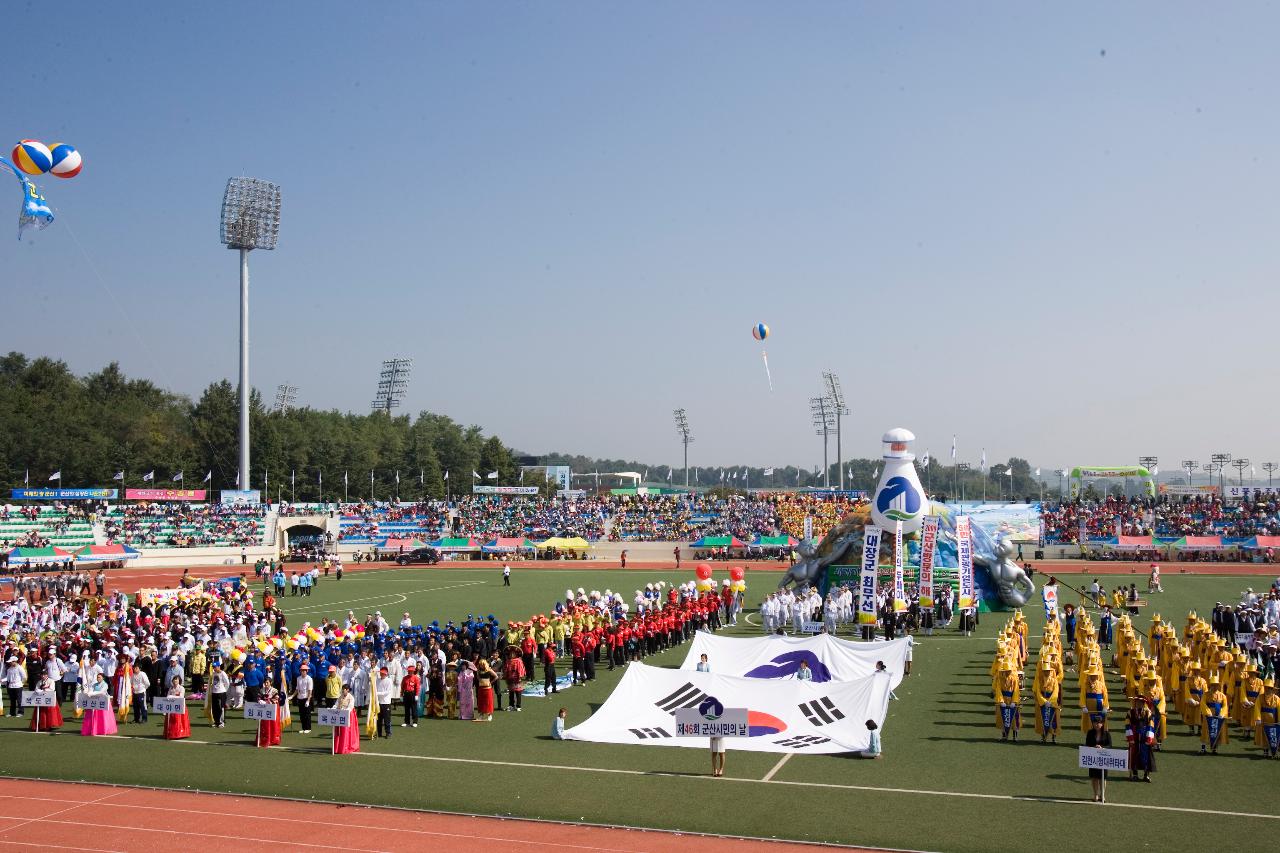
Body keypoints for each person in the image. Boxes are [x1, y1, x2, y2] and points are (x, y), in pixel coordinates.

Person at [1125, 698, 1155, 782]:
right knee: (1134, 754)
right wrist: (1130, 737)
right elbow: (1127, 724)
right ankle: (1135, 774)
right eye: (1137, 702)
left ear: (1144, 703)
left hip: (1145, 736)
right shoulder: (1130, 712)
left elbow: (1151, 724)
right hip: (1134, 736)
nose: (1139, 704)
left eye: (1141, 702)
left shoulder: (1148, 712)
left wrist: (1149, 737)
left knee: (1146, 755)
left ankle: (1146, 775)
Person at [80, 672, 117, 737]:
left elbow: (102, 692)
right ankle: (93, 729)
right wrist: (88, 692)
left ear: (103, 678)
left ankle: (103, 729)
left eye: (99, 677)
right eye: (97, 677)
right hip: (95, 702)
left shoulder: (105, 684)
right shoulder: (95, 684)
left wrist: (92, 693)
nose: (98, 678)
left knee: (103, 717)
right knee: (93, 716)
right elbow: (91, 690)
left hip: (103, 702)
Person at [1085, 715, 1112, 803]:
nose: (1097, 724)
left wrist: (1102, 747)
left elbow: (1110, 746)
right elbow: (1087, 744)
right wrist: (1094, 747)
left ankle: (1102, 794)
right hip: (1093, 758)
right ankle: (1096, 794)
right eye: (1095, 722)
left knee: (1102, 777)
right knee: (1094, 777)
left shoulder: (1107, 733)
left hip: (1104, 759)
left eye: (1099, 723)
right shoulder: (1090, 733)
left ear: (1102, 724)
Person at [333, 684, 360, 754]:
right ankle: (337, 747)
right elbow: (336, 704)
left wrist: (345, 711)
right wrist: (334, 708)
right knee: (338, 730)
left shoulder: (351, 697)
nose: (343, 691)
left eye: (344, 689)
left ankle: (345, 746)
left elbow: (350, 707)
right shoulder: (340, 696)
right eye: (342, 689)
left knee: (346, 730)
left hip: (348, 715)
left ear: (347, 690)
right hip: (340, 714)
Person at [162, 676, 190, 740]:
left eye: (176, 680)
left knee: (178, 720)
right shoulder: (171, 688)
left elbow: (181, 697)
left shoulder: (181, 688)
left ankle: (180, 733)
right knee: (171, 720)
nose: (175, 681)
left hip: (179, 706)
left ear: (179, 681)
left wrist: (171, 696)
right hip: (171, 707)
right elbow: (167, 697)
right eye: (174, 679)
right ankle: (170, 733)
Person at [255, 683, 282, 748]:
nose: (266, 684)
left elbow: (276, 699)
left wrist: (267, 701)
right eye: (265, 682)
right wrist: (259, 700)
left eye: (267, 682)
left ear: (270, 683)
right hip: (264, 710)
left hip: (272, 709)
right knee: (264, 724)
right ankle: (263, 739)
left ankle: (272, 739)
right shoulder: (262, 690)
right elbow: (258, 696)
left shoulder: (274, 690)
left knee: (272, 724)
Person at [374, 666, 394, 739]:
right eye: (381, 673)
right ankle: (379, 733)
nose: (382, 675)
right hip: (379, 702)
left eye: (383, 673)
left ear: (386, 674)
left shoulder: (389, 681)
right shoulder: (377, 680)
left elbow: (387, 692)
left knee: (387, 719)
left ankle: (388, 733)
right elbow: (374, 688)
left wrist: (378, 693)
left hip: (386, 703)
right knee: (379, 719)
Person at [474, 657, 496, 722]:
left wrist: (490, 683)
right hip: (481, 688)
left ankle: (490, 715)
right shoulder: (478, 670)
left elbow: (496, 676)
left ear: (485, 664)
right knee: (481, 702)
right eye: (480, 664)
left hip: (488, 688)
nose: (481, 665)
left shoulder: (489, 670)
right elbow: (478, 677)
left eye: (482, 664)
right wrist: (481, 681)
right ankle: (481, 715)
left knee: (488, 702)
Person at [294, 663, 314, 733]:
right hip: (300, 698)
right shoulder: (298, 678)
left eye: (304, 670)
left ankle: (308, 728)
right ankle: (303, 728)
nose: (303, 672)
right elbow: (297, 689)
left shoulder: (309, 679)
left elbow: (310, 690)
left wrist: (308, 700)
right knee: (301, 714)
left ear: (306, 671)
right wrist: (292, 696)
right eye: (301, 670)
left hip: (306, 698)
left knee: (307, 714)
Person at [209, 661, 229, 728]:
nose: (214, 668)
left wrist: (224, 690)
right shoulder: (214, 673)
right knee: (214, 708)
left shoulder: (223, 673)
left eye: (215, 667)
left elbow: (227, 683)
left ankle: (221, 722)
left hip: (221, 693)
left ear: (219, 666)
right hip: (214, 692)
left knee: (221, 708)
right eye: (213, 667)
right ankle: (216, 721)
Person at [401, 662, 421, 728]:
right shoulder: (405, 678)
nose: (410, 672)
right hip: (406, 694)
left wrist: (416, 695)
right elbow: (402, 686)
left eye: (411, 671)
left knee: (413, 708)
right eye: (409, 671)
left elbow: (417, 687)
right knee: (406, 709)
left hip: (413, 694)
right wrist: (401, 694)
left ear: (413, 671)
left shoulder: (416, 678)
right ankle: (407, 722)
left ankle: (415, 722)